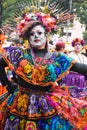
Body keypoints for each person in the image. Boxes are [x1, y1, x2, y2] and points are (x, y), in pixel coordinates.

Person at [1, 12, 87, 130]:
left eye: (39, 33)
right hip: (19, 103)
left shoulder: (57, 57)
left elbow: (79, 67)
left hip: (46, 106)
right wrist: (7, 84)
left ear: (46, 35)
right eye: (32, 34)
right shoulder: (19, 54)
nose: (36, 36)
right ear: (27, 37)